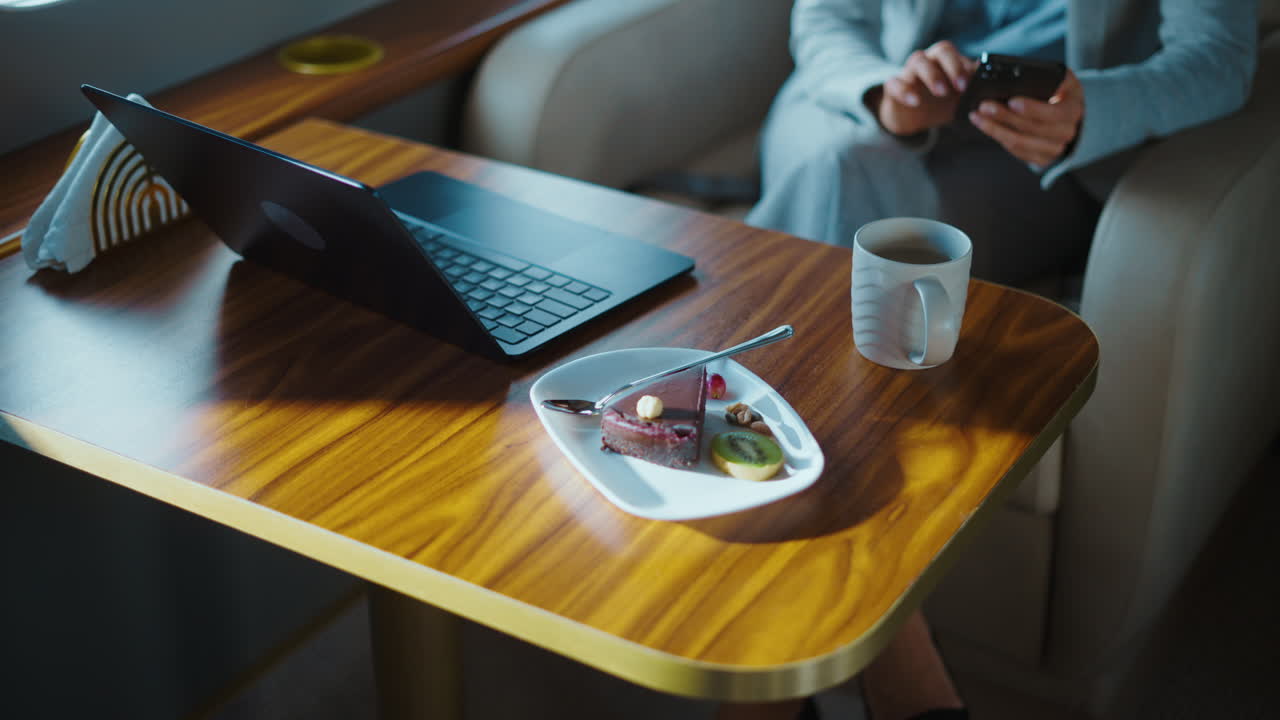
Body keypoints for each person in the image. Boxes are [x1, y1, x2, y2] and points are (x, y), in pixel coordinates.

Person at [745, 0, 1259, 286]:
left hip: (1031, 150)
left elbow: (1218, 57)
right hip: (856, 90)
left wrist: (1092, 111)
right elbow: (828, 17)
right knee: (837, 161)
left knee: (858, 186)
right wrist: (884, 93)